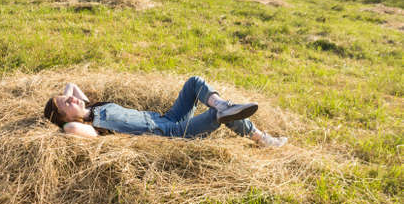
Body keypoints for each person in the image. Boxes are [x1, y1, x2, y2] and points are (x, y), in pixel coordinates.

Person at [44, 76, 287, 147]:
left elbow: (71, 85)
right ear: (64, 117)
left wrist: (65, 100)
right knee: (215, 117)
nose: (72, 98)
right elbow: (68, 128)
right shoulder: (93, 128)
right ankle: (263, 139)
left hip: (168, 119)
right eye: (66, 103)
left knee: (194, 82)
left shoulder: (93, 108)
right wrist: (59, 118)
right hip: (171, 134)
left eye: (70, 99)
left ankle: (223, 105)